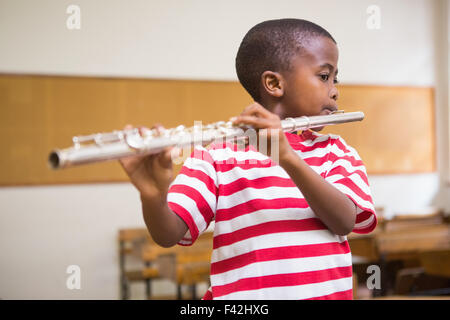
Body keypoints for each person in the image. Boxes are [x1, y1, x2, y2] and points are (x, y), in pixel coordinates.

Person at [119, 18, 377, 300]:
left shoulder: (336, 151)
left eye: (335, 78)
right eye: (324, 76)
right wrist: (154, 197)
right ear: (274, 83)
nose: (335, 90)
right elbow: (168, 235)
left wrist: (288, 158)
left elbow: (344, 221)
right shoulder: (217, 153)